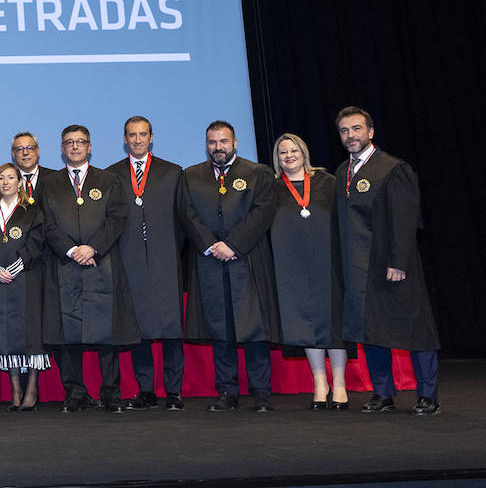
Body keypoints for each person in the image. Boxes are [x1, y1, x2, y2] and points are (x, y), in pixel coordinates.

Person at [335, 106, 441, 415]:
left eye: (356, 129)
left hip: (392, 266)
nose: (350, 135)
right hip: (358, 268)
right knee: (371, 331)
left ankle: (427, 396)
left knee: (415, 329)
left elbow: (406, 220)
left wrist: (399, 262)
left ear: (370, 132)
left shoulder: (394, 169)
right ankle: (383, 394)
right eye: (344, 130)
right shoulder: (343, 171)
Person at [179, 120, 280, 412]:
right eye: (212, 142)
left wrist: (234, 245)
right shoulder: (191, 176)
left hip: (246, 260)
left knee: (254, 329)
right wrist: (211, 245)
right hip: (210, 261)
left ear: (235, 143)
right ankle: (227, 392)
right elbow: (187, 215)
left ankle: (261, 392)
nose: (218, 147)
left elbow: (262, 213)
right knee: (220, 329)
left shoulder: (258, 173)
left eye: (223, 141)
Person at [41, 125, 138, 413]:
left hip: (101, 265)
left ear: (90, 146)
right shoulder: (49, 183)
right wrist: (71, 250)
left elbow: (117, 218)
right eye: (69, 143)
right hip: (65, 266)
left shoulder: (108, 179)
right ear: (61, 148)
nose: (74, 147)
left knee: (106, 335)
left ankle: (111, 393)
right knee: (67, 336)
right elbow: (46, 223)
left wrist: (91, 248)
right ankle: (75, 393)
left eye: (80, 142)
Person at [105, 116, 188, 411]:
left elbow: (184, 219)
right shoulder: (111, 176)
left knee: (171, 328)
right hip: (129, 261)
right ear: (124, 139)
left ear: (152, 137)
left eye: (142, 135)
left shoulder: (173, 172)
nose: (137, 140)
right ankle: (146, 390)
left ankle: (174, 391)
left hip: (166, 261)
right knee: (138, 327)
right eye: (132, 135)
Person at [268, 133, 348, 410]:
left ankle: (339, 384)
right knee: (306, 325)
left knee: (333, 322)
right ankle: (319, 383)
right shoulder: (272, 188)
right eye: (282, 153)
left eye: (293, 150)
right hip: (292, 268)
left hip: (329, 263)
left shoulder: (328, 182)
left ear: (304, 152)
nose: (288, 156)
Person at [0, 162, 51, 411]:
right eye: (1, 178)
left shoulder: (32, 211)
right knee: (4, 334)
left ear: (19, 182)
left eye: (11, 178)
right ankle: (15, 389)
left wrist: (15, 268)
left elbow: (37, 242)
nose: (6, 182)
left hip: (26, 279)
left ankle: (32, 388)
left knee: (30, 333)